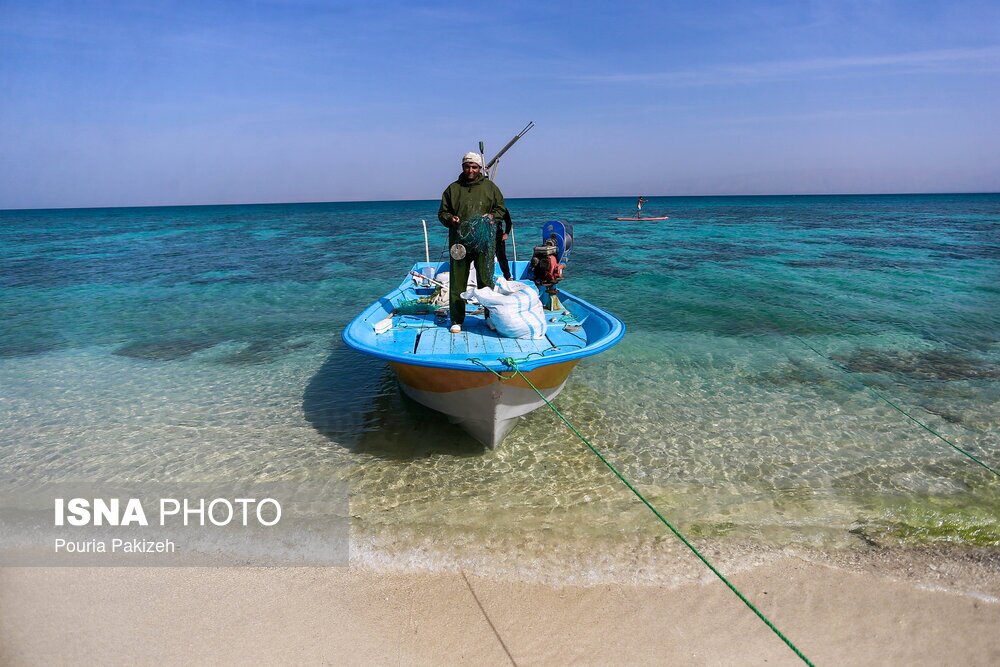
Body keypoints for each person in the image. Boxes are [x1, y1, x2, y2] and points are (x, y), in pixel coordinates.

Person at [438, 152, 507, 333]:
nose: (470, 170)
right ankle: (457, 320)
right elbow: (442, 213)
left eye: (474, 167)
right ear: (462, 167)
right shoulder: (452, 189)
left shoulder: (490, 188)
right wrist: (450, 219)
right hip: (459, 243)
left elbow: (500, 208)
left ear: (479, 169)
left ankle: (490, 317)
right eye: (467, 166)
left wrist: (492, 216)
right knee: (457, 281)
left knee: (485, 280)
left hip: (484, 242)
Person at [496, 209, 513, 281]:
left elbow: (509, 222)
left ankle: (507, 276)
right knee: (485, 258)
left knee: (502, 257)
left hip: (499, 237)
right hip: (486, 237)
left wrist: (506, 233)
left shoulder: (502, 209)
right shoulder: (485, 207)